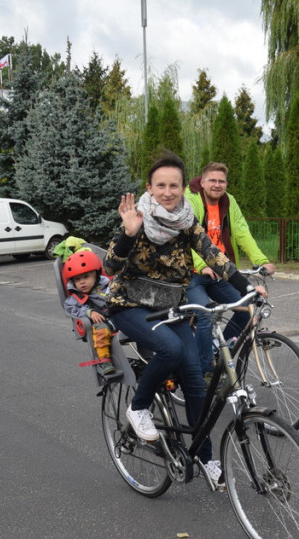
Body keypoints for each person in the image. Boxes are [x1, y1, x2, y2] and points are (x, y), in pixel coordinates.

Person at [104, 153, 256, 482]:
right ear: (150, 187)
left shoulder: (187, 221)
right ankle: (138, 408)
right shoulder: (137, 218)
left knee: (195, 385)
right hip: (130, 304)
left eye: (174, 185)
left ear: (184, 187)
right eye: (161, 185)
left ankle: (206, 459)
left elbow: (214, 254)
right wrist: (128, 234)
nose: (168, 191)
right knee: (170, 349)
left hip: (172, 306)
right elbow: (110, 268)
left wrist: (247, 287)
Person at [185, 162, 276, 375]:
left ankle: (219, 351)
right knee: (205, 316)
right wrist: (201, 265)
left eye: (221, 181)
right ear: (203, 181)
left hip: (220, 270)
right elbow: (187, 237)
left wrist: (261, 260)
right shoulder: (190, 200)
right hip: (193, 273)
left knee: (246, 308)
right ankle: (204, 373)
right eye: (213, 180)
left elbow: (242, 231)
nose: (217, 185)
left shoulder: (229, 201)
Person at [61, 249, 122, 380]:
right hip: (102, 324)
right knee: (100, 331)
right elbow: (70, 308)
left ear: (96, 275)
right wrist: (88, 312)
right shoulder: (75, 298)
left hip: (119, 317)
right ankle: (104, 361)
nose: (82, 282)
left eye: (86, 277)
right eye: (77, 279)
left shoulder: (108, 286)